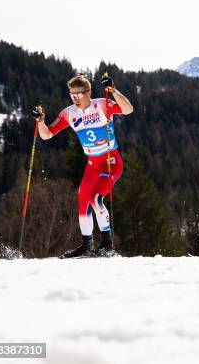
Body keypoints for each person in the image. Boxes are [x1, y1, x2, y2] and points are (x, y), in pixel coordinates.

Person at [32, 74, 133, 257]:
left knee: (96, 198)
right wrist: (40, 121)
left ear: (89, 92)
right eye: (72, 95)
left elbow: (128, 109)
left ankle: (107, 245)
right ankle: (87, 246)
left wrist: (113, 90)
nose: (76, 99)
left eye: (79, 94)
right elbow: (46, 135)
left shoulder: (102, 104)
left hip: (110, 162)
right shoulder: (68, 113)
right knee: (83, 201)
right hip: (92, 165)